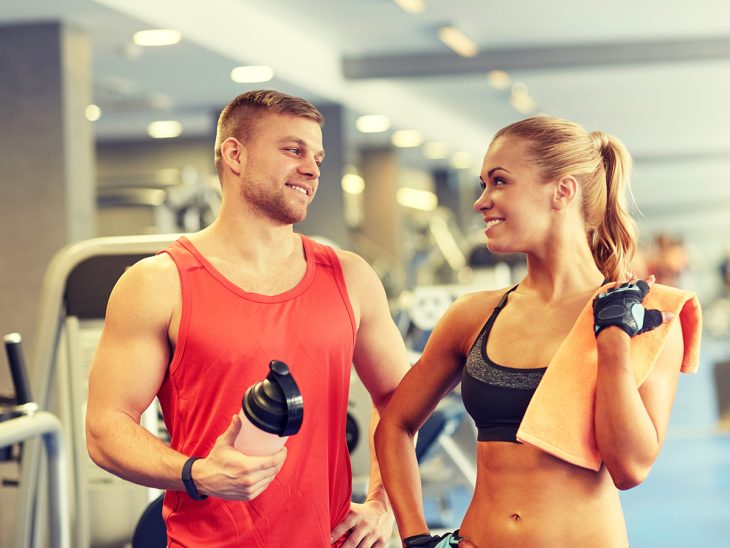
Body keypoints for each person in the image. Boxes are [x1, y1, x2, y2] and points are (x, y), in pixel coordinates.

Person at [86, 90, 409, 547]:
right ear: (235, 154)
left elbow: (400, 400)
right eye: (293, 150)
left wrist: (383, 503)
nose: (313, 168)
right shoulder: (159, 283)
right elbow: (106, 428)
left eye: (317, 156)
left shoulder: (350, 277)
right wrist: (197, 474)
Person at [374, 116, 686, 547]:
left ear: (562, 191)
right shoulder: (474, 315)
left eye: (499, 181)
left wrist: (612, 344)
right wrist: (414, 537)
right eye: (483, 184)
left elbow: (630, 468)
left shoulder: (648, 314)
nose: (481, 201)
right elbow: (395, 425)